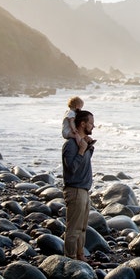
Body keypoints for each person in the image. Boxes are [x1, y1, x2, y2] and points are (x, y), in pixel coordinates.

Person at [62, 109, 95, 261]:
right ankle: (69, 259)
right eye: (91, 123)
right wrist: (81, 151)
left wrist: (88, 147)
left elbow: (84, 166)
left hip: (84, 190)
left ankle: (80, 257)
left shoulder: (84, 144)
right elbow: (71, 169)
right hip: (74, 190)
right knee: (73, 229)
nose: (93, 126)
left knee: (82, 228)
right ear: (82, 124)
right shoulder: (70, 145)